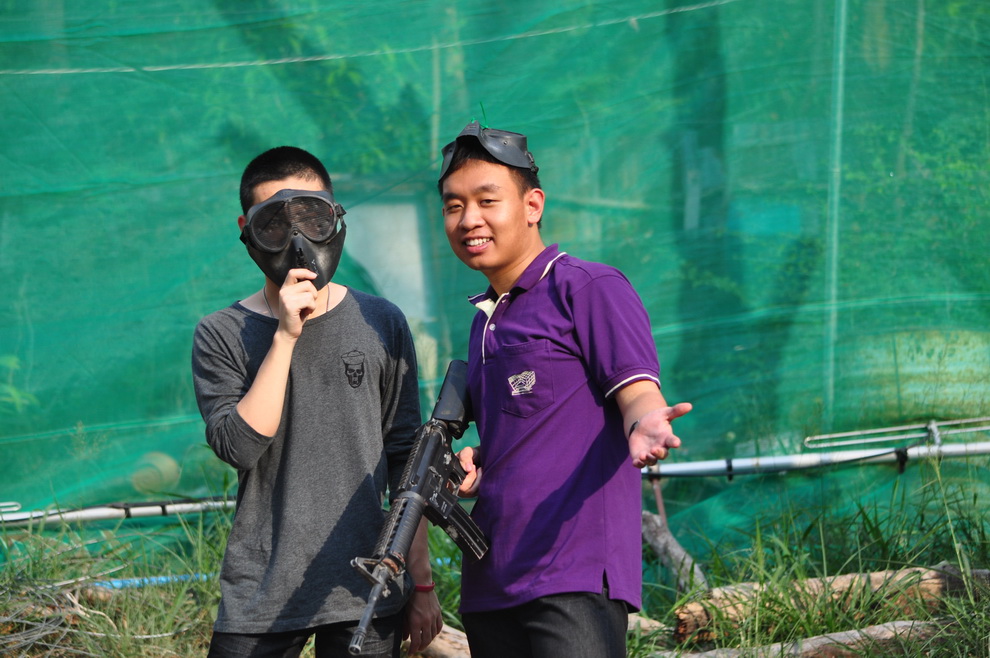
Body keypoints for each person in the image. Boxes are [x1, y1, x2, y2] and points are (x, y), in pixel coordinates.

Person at [437, 122, 692, 658]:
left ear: (533, 205)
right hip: (491, 580)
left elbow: (636, 389)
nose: (469, 219)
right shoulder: (484, 323)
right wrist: (479, 462)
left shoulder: (588, 287)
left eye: (487, 200)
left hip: (571, 572)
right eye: (453, 206)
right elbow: (529, 429)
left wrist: (645, 420)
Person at [192, 146, 442, 657]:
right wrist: (285, 335)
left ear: (335, 216)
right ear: (246, 229)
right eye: (274, 224)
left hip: (366, 584)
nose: (298, 239)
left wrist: (420, 582)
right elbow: (239, 447)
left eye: (312, 217)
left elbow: (408, 462)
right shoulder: (221, 332)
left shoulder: (381, 322)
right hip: (261, 589)